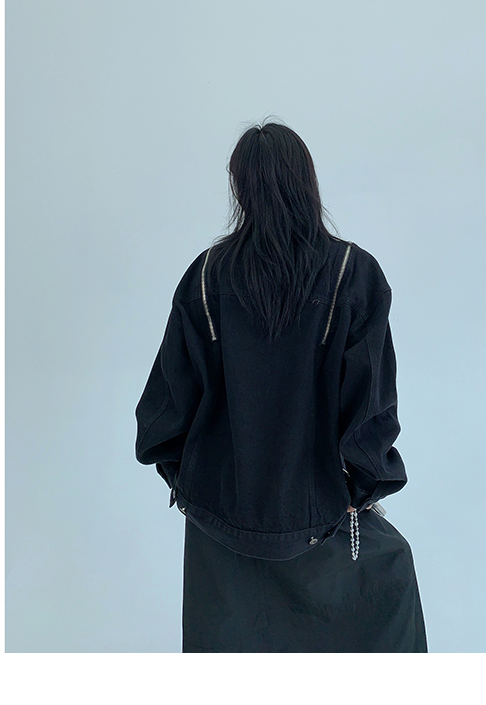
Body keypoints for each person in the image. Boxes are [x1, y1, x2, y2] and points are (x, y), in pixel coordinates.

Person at [135, 119, 427, 652]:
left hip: (220, 520)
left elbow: (165, 406)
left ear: (240, 186)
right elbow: (371, 407)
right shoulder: (353, 273)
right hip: (325, 512)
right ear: (307, 181)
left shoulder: (206, 277)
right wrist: (361, 489)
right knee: (386, 606)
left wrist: (194, 484)